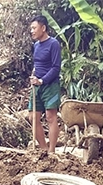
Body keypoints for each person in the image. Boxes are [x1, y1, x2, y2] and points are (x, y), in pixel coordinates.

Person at [29, 15, 62, 153]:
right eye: (31, 28)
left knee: (50, 116)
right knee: (32, 117)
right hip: (36, 86)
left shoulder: (53, 44)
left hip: (50, 85)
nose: (32, 31)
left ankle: (52, 151)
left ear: (43, 28)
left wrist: (42, 80)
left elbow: (56, 67)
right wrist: (33, 75)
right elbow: (38, 64)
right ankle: (43, 148)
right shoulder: (36, 45)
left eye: (34, 28)